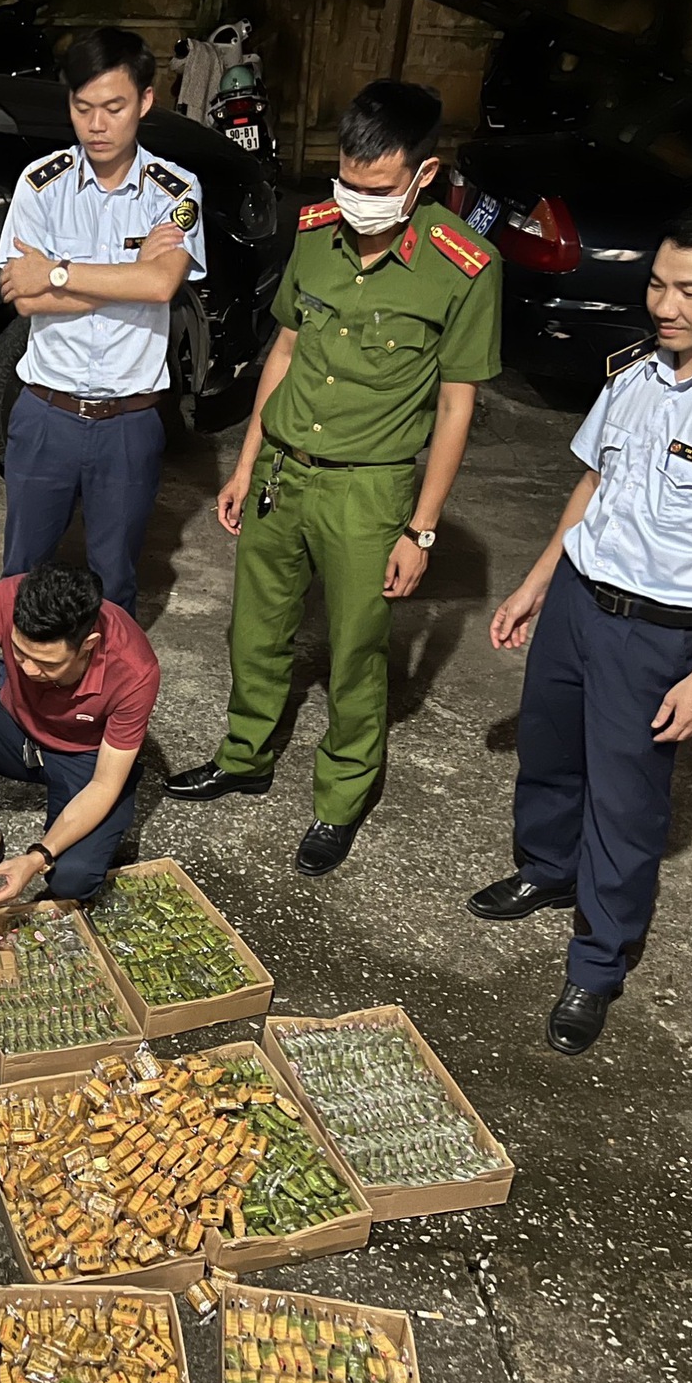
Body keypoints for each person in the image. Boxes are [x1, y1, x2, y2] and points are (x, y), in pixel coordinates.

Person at [466, 189, 692, 1056]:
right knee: (550, 755)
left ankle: (596, 964)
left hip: (659, 633)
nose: (664, 305)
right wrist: (539, 581)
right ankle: (545, 873)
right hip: (580, 600)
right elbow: (592, 485)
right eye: (658, 284)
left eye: (689, 290)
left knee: (625, 805)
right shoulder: (633, 369)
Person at [164, 81, 501, 878]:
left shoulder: (464, 266)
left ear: (423, 178)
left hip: (369, 489)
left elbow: (456, 409)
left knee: (355, 651)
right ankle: (245, 755)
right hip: (283, 469)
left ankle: (341, 798)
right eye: (346, 181)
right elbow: (282, 351)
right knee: (256, 629)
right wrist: (245, 463)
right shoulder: (315, 231)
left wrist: (421, 528)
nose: (356, 201)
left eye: (377, 189)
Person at [0, 27, 207, 616]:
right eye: (82, 108)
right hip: (44, 415)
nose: (96, 124)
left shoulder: (175, 191)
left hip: (129, 425)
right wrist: (126, 276)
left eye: (113, 107)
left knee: (113, 585)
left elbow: (162, 284)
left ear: (144, 101)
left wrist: (58, 273)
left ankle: (108, 706)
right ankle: (15, 698)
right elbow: (24, 297)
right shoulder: (40, 184)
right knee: (20, 580)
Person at [0, 563, 159, 911]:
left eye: (46, 663)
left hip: (85, 757)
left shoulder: (135, 671)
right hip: (16, 727)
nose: (27, 669)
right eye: (19, 652)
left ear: (88, 645)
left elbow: (103, 785)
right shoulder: (7, 599)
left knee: (72, 878)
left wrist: (36, 857)